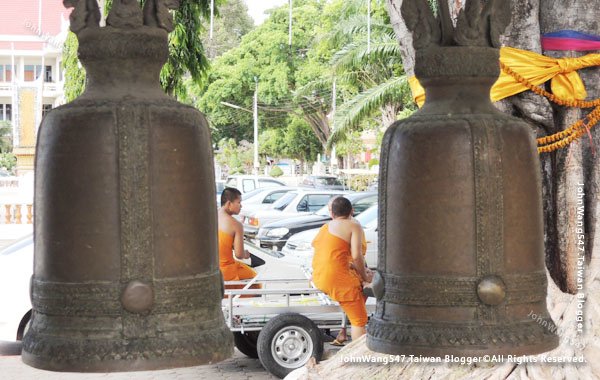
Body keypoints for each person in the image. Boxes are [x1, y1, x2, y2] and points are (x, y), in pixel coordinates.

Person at [312, 196, 373, 344]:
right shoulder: (354, 226)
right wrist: (365, 276)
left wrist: (360, 272)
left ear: (332, 213)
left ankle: (343, 332)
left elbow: (332, 256)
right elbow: (357, 256)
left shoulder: (325, 227)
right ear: (352, 211)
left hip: (319, 275)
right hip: (335, 278)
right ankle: (358, 358)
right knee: (359, 320)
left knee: (360, 289)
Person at [218, 187, 257, 282]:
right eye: (239, 202)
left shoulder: (211, 217)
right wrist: (246, 254)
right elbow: (239, 254)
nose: (241, 206)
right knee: (255, 279)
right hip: (227, 271)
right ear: (229, 203)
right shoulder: (236, 225)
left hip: (212, 269)